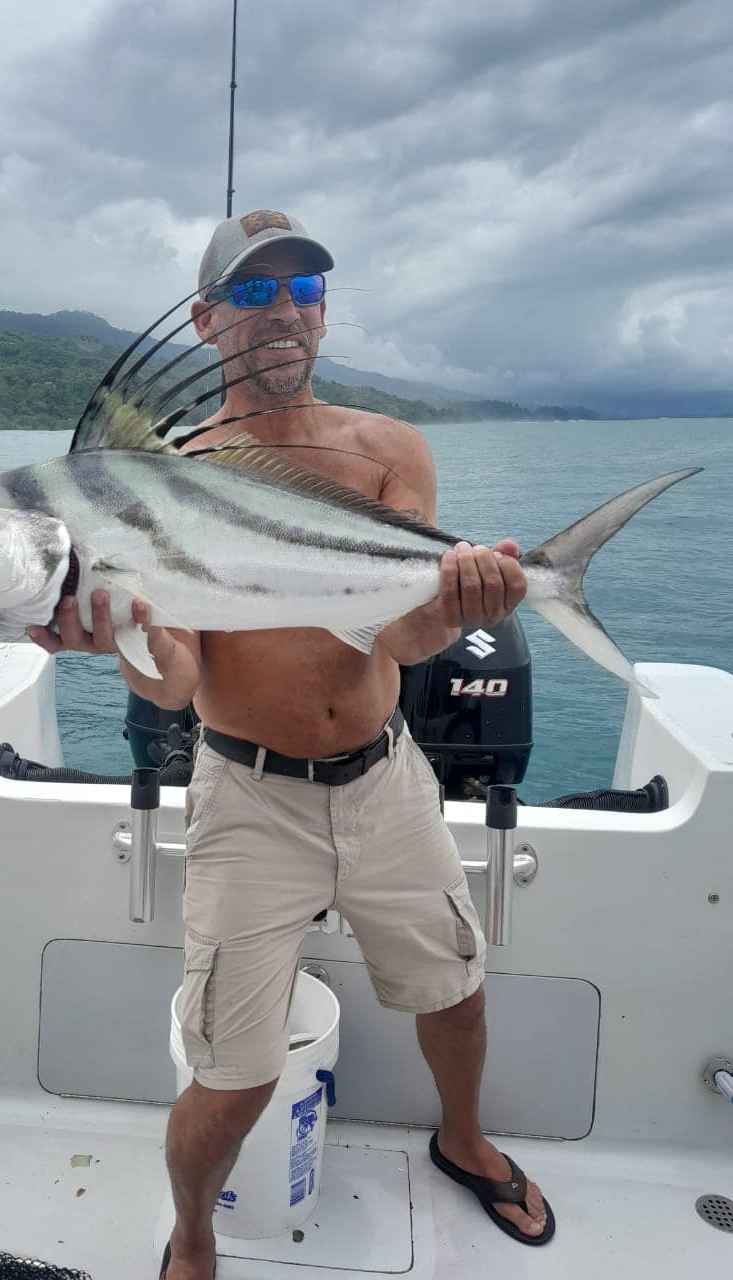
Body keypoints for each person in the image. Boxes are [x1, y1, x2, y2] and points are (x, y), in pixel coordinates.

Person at [28, 210, 554, 1279]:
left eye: (303, 290)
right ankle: (195, 1233)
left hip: (385, 777)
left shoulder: (389, 449)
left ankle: (460, 1135)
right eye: (254, 293)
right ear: (205, 317)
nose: (284, 313)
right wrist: (118, 631)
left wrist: (459, 607)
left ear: (323, 309)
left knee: (455, 988)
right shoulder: (161, 478)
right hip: (246, 796)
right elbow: (175, 677)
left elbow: (401, 637)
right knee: (233, 1071)